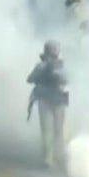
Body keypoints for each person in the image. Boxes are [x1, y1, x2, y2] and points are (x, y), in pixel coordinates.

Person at [27, 40, 70, 168]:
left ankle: (48, 159)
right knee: (59, 131)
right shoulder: (63, 66)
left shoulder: (41, 66)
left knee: (46, 131)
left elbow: (29, 79)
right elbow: (69, 80)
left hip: (44, 100)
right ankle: (60, 157)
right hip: (60, 102)